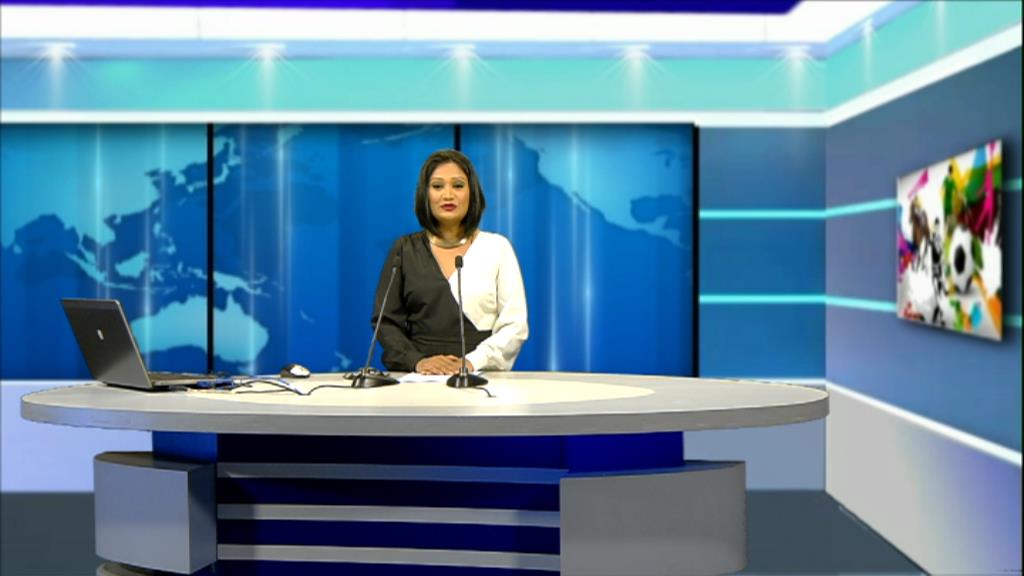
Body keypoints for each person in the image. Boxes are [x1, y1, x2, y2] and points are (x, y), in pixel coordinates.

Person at [372, 149, 528, 375]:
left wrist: (470, 362)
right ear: (425, 194)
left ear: (472, 193)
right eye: (437, 186)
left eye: (458, 185)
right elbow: (386, 322)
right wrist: (417, 362)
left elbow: (514, 325)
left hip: (481, 377)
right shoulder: (404, 250)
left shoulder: (497, 248)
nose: (448, 195)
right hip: (419, 379)